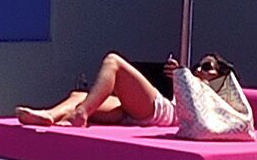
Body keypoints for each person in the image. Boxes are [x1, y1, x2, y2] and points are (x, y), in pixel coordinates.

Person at [17, 52, 235, 129]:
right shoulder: (191, 80)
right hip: (141, 113)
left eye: (206, 67)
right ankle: (50, 115)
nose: (199, 69)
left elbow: (196, 110)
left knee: (113, 62)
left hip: (163, 114)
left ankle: (79, 115)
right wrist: (180, 76)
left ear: (219, 76)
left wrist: (183, 77)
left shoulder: (211, 92)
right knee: (79, 96)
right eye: (199, 64)